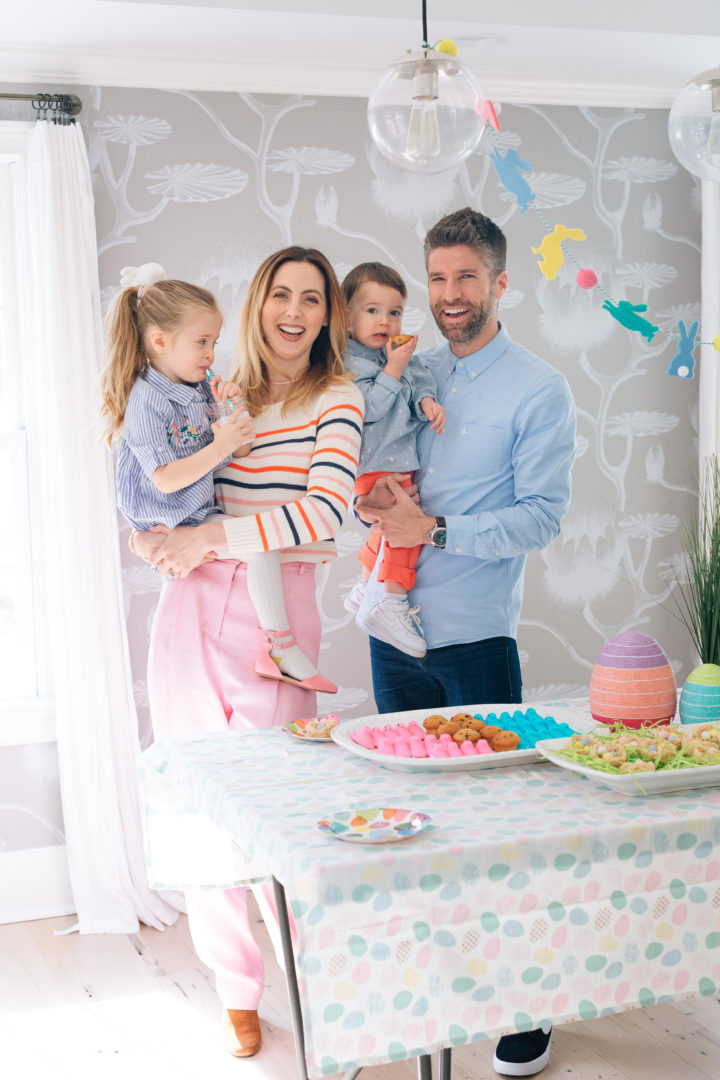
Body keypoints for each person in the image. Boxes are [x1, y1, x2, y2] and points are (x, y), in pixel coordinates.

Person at [355, 207, 576, 1078]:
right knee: (412, 831)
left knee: (500, 837)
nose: (449, 297)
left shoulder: (538, 388)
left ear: (499, 283)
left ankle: (525, 1008)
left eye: (466, 279)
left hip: (477, 640)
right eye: (437, 279)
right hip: (392, 636)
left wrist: (433, 527)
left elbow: (542, 518)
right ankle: (431, 993)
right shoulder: (407, 371)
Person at [132, 246, 364, 1058]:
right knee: (198, 802)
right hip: (190, 604)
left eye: (312, 298)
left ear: (328, 316)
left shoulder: (338, 398)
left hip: (275, 609)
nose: (294, 311)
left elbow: (322, 515)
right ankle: (237, 991)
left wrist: (207, 537)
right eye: (280, 294)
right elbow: (161, 474)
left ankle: (325, 996)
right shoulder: (215, 387)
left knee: (283, 816)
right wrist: (160, 539)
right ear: (256, 304)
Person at [101, 268, 335, 692]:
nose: (211, 354)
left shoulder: (200, 387)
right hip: (170, 512)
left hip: (196, 515)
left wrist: (233, 415)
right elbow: (166, 479)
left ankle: (278, 647)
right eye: (202, 342)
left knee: (258, 547)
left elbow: (239, 452)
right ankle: (281, 648)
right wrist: (218, 444)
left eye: (214, 342)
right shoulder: (146, 400)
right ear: (160, 342)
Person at [341, 261, 445, 658]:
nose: (385, 320)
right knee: (405, 531)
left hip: (399, 461)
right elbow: (367, 408)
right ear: (346, 316)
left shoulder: (398, 351)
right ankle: (393, 598)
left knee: (385, 529)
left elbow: (420, 378)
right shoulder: (346, 362)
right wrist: (394, 367)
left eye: (394, 311)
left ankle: (366, 585)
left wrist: (427, 401)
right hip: (373, 466)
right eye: (372, 310)